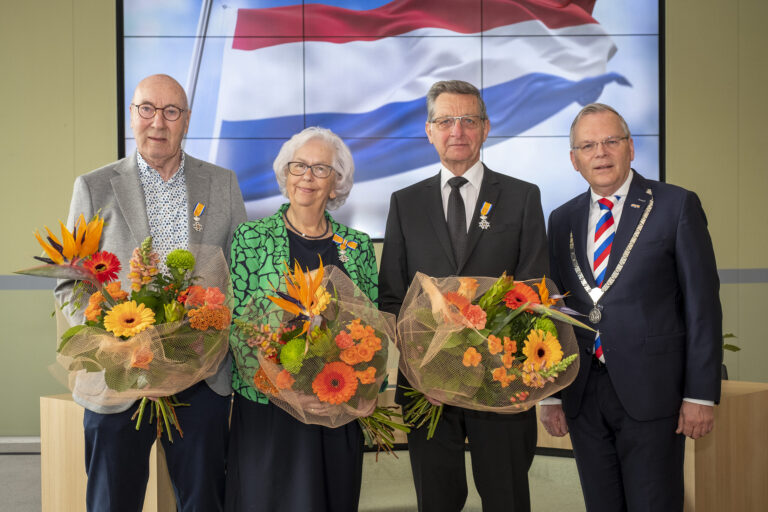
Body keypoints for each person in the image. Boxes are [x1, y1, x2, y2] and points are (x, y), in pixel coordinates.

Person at [54, 74, 247, 512]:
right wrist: (113, 340)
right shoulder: (93, 187)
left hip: (200, 374)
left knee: (204, 502)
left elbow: (239, 279)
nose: (157, 122)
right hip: (119, 378)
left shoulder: (222, 184)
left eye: (171, 112)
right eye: (147, 109)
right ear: (132, 115)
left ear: (186, 120)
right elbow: (70, 282)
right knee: (112, 502)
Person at [540, 103, 722, 511]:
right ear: (574, 159)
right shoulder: (561, 219)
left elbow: (703, 306)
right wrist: (550, 395)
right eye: (588, 145)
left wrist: (701, 394)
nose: (600, 153)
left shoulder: (676, 206)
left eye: (610, 141)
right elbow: (553, 308)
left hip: (655, 394)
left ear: (631, 148)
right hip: (584, 393)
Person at [379, 80, 548, 512]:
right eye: (445, 121)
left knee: (506, 496)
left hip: (500, 382)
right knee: (437, 500)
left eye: (468, 120)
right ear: (429, 130)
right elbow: (393, 297)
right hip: (426, 385)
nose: (457, 130)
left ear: (486, 128)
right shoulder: (405, 202)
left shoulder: (522, 197)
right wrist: (428, 369)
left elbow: (532, 293)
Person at [226, 126, 378, 512]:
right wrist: (284, 387)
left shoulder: (357, 246)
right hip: (270, 409)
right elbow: (238, 325)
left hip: (335, 408)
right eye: (298, 166)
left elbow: (372, 329)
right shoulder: (251, 237)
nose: (307, 177)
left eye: (320, 169)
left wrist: (353, 390)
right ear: (285, 174)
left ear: (336, 182)